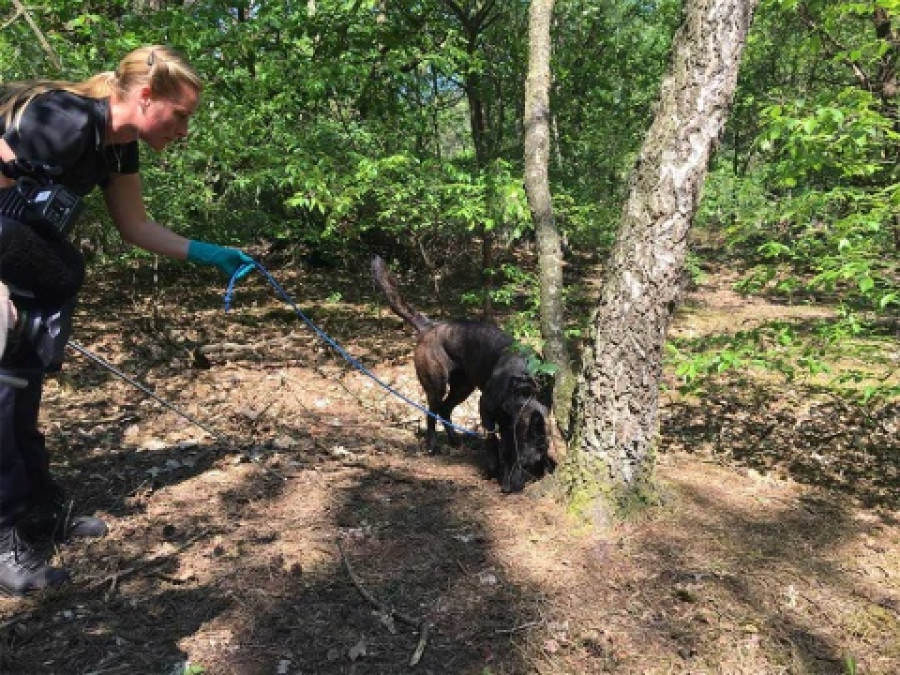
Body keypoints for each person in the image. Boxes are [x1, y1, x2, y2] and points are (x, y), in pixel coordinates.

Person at [0, 45, 254, 595]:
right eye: (181, 114)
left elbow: (136, 226)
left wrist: (212, 253)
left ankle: (38, 512)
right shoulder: (62, 117)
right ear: (145, 96)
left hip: (25, 267)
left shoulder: (117, 149)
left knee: (20, 387)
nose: (185, 130)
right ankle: (3, 539)